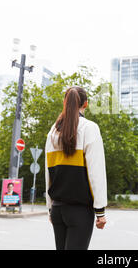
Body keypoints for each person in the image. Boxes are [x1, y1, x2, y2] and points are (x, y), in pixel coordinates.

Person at [45, 86, 107, 250]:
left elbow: (48, 174)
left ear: (65, 103)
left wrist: (50, 208)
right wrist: (100, 212)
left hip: (57, 209)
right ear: (85, 104)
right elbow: (96, 173)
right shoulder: (89, 128)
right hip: (79, 211)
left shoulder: (53, 131)